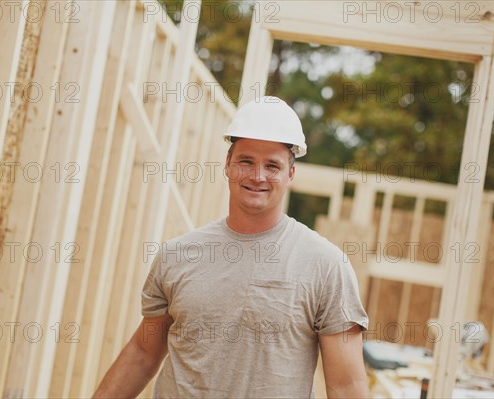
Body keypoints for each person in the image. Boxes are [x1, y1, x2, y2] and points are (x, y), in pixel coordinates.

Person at [93, 96, 369, 398]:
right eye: (246, 161)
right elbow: (143, 354)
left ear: (290, 174)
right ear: (227, 164)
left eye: (272, 166)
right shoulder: (177, 255)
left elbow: (346, 385)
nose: (258, 176)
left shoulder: (325, 266)